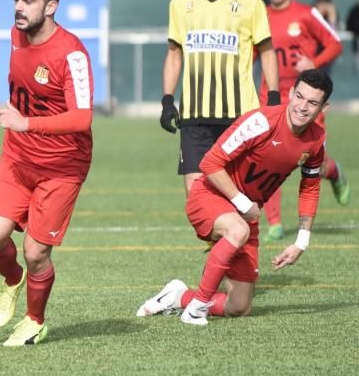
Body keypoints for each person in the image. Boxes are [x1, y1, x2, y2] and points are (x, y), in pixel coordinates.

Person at [137, 69, 333, 326]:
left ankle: (178, 296)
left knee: (239, 307)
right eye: (299, 96)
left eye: (312, 102)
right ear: (291, 93)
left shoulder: (317, 140)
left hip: (246, 214)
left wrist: (301, 242)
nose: (302, 107)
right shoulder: (261, 121)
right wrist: (242, 203)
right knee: (237, 229)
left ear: (324, 108)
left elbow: (310, 187)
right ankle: (196, 309)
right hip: (210, 196)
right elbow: (210, 163)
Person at [0, 0, 94, 347]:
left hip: (61, 166)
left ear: (51, 6)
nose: (18, 8)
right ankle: (13, 279)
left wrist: (25, 122)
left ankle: (35, 320)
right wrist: (17, 117)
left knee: (36, 252)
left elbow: (82, 117)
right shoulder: (15, 35)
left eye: (28, 1)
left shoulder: (72, 53)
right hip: (17, 156)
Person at [160, 0, 280, 195]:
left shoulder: (251, 1)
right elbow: (174, 54)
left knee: (239, 195)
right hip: (194, 117)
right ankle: (220, 237)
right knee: (196, 198)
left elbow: (267, 51)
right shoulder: (181, 2)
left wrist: (273, 98)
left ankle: (235, 236)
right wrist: (168, 100)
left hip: (240, 116)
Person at [259, 0, 348, 241]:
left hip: (306, 99)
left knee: (310, 163)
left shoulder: (306, 14)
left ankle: (333, 172)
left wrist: (314, 63)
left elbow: (335, 44)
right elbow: (252, 54)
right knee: (267, 158)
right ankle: (274, 222)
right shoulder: (259, 16)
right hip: (272, 96)